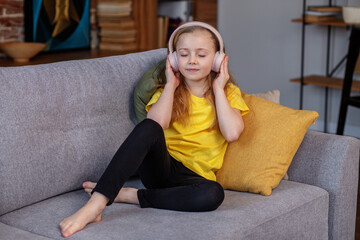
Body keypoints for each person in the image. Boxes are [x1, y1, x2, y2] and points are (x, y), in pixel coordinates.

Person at [59, 21, 249, 238]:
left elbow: (232, 133)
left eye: (202, 55)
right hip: (162, 166)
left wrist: (218, 88)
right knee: (149, 126)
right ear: (174, 59)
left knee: (214, 195)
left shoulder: (228, 93)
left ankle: (133, 196)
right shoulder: (169, 91)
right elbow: (156, 124)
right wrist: (170, 85)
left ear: (217, 60)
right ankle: (96, 205)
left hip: (194, 178)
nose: (192, 61)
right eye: (184, 54)